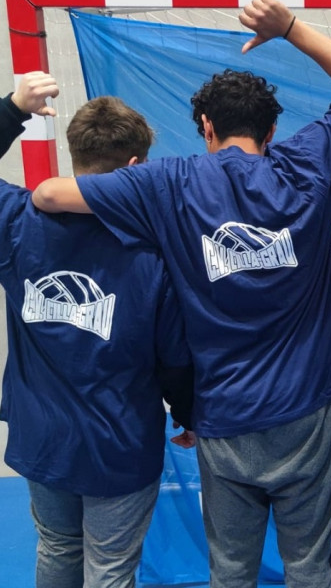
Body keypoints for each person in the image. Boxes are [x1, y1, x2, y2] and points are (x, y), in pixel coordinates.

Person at [29, 0, 331, 586]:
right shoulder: (305, 164)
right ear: (273, 131)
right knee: (308, 567)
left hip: (224, 415)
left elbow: (45, 196)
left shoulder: (164, 183)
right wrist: (290, 26)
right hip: (304, 413)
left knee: (229, 571)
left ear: (205, 127)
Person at [0, 74, 194, 588]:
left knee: (58, 548)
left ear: (74, 155)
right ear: (136, 168)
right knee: (109, 568)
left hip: (44, 437)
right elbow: (175, 357)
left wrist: (13, 108)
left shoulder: (18, 223)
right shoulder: (155, 251)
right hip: (119, 443)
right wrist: (190, 412)